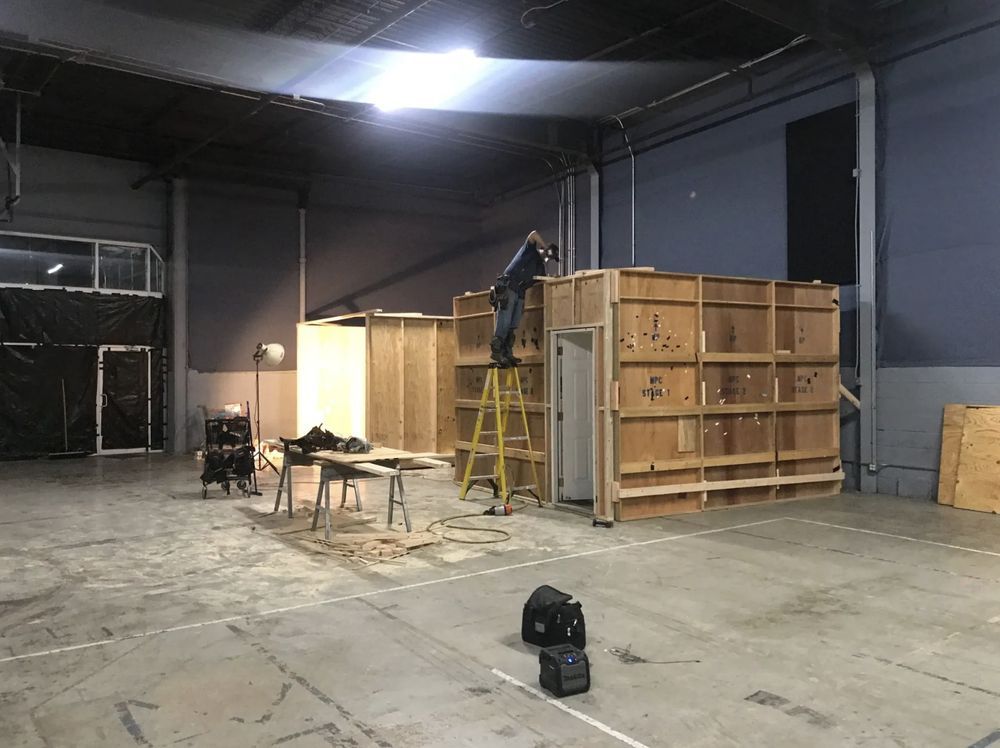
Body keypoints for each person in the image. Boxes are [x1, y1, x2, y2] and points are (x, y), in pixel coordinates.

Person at [490, 230, 559, 367]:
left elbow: (541, 279)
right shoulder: (530, 251)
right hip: (509, 286)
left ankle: (507, 353)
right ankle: (496, 351)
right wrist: (545, 246)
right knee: (505, 321)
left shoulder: (540, 267)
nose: (548, 260)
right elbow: (533, 234)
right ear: (546, 252)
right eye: (549, 256)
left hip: (520, 292)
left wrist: (553, 278)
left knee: (513, 323)